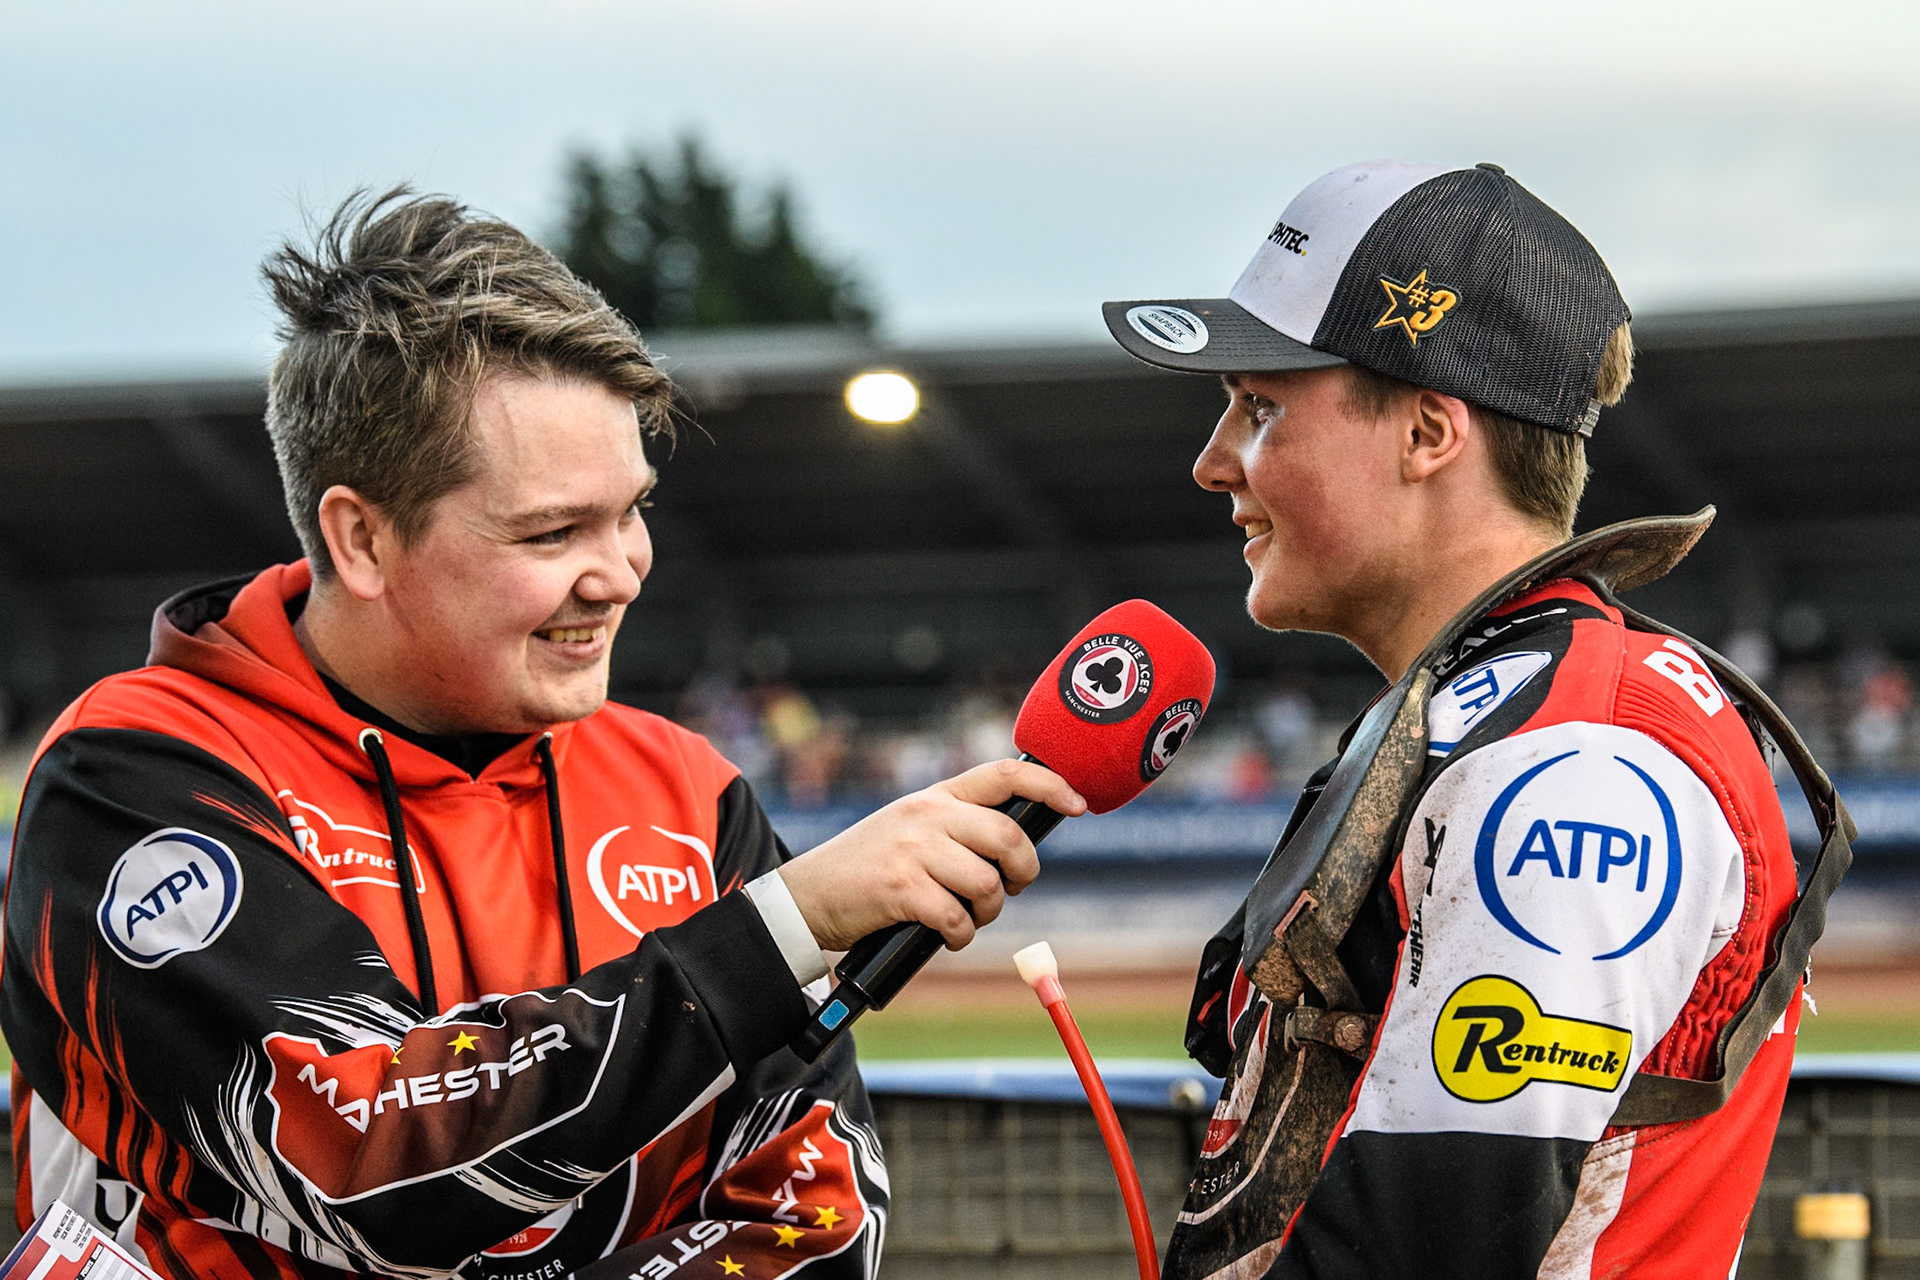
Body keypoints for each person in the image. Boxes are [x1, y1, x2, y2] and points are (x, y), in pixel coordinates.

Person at [0, 191, 1085, 1278]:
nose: (621, 574)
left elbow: (816, 1213)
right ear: (362, 539)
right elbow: (367, 1162)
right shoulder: (133, 777)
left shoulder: (686, 790)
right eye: (554, 531)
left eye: (633, 510)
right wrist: (781, 928)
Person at [1102, 160, 1809, 1276]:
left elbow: (1430, 1245)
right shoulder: (1491, 708)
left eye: (1260, 408)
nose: (1211, 462)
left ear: (1429, 433)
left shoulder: (1580, 754)